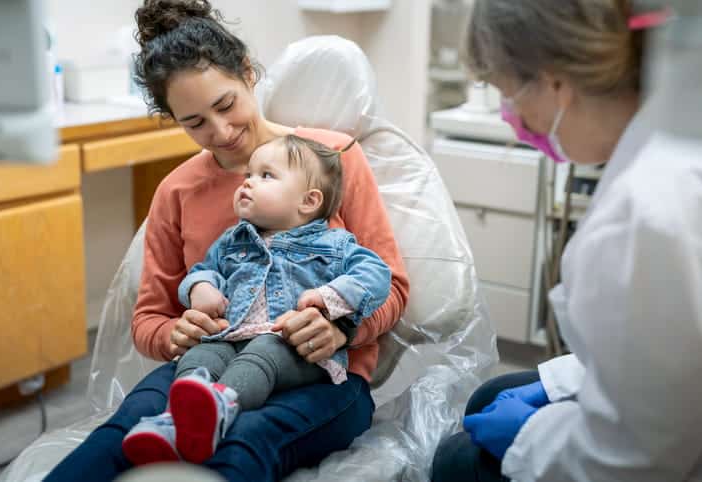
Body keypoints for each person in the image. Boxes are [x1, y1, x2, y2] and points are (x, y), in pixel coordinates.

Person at [45, 1, 409, 480]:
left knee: (240, 440)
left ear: (246, 74)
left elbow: (393, 287)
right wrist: (176, 333)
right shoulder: (177, 191)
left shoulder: (331, 157)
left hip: (319, 376)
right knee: (122, 437)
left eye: (225, 105)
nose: (220, 132)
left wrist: (342, 330)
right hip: (210, 365)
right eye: (194, 123)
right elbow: (149, 319)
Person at [432, 1, 702, 481]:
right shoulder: (663, 131)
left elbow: (639, 458)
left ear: (556, 82)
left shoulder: (646, 211)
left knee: (457, 461)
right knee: (490, 396)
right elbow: (665, 352)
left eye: (507, 94)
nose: (512, 118)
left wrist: (531, 436)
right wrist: (560, 382)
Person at [122, 134, 392, 465]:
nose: (248, 182)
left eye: (266, 176)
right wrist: (200, 288)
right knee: (204, 352)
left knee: (266, 350)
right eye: (248, 174)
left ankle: (221, 405)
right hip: (232, 336)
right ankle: (180, 418)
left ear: (308, 201)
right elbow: (204, 270)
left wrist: (329, 298)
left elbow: (377, 274)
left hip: (293, 349)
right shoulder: (232, 241)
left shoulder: (333, 244)